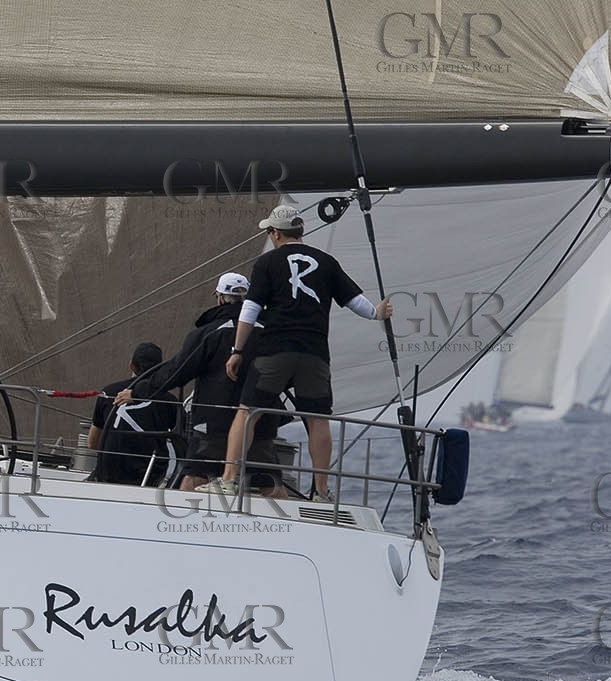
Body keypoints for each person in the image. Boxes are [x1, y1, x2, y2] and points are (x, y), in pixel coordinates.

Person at [198, 204, 393, 500]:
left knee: (247, 412)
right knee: (317, 418)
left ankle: (228, 479)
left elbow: (249, 311)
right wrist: (379, 313)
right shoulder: (327, 262)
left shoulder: (267, 263)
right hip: (315, 352)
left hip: (275, 350)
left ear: (276, 233)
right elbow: (358, 304)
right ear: (299, 231)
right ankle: (322, 491)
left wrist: (237, 350)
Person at [113, 274, 291, 495]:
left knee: (194, 477)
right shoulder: (271, 333)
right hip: (260, 424)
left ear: (219, 298)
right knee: (270, 484)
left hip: (213, 425)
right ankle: (291, 526)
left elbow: (176, 371)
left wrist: (137, 391)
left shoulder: (209, 333)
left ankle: (184, 527)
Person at [89, 341, 179, 486]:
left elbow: (92, 442)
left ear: (131, 365)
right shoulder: (170, 402)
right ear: (159, 369)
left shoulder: (108, 392)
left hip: (109, 474)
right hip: (150, 476)